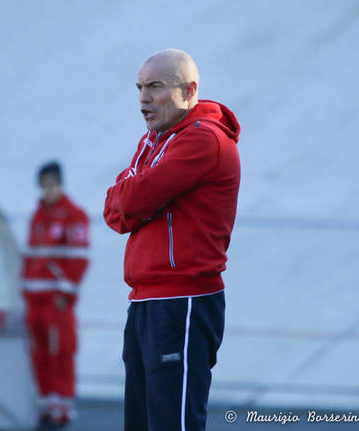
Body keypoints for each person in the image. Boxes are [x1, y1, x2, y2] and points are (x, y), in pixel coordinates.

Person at [103, 49, 241, 431]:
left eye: (156, 87)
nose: (144, 98)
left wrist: (136, 200)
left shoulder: (201, 140)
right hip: (146, 299)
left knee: (173, 423)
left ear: (188, 90)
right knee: (143, 423)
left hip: (183, 302)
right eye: (140, 88)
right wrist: (135, 199)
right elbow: (114, 211)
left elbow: (130, 198)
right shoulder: (155, 140)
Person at [21, 161, 90, 430]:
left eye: (52, 184)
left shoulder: (74, 215)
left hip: (56, 300)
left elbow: (80, 258)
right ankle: (47, 406)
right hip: (35, 299)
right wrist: (25, 288)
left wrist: (66, 292)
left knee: (61, 351)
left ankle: (63, 408)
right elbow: (30, 256)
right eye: (44, 185)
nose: (48, 190)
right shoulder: (37, 215)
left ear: (60, 183)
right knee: (39, 354)